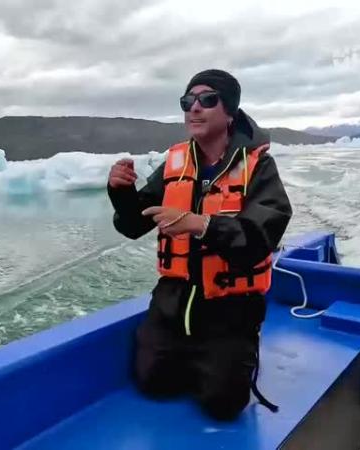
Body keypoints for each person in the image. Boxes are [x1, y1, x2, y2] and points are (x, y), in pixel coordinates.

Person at [107, 69, 293, 421]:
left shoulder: (258, 166)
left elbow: (261, 237)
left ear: (230, 112)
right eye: (187, 101)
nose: (194, 108)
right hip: (174, 300)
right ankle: (195, 356)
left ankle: (228, 358)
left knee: (222, 405)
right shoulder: (175, 164)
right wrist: (121, 194)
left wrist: (202, 225)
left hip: (230, 308)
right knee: (152, 383)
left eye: (207, 100)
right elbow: (133, 225)